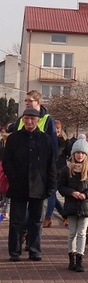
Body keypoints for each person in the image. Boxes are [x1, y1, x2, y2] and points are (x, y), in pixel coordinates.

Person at [3, 108, 57, 261]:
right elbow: (7, 161)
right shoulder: (14, 138)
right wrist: (13, 176)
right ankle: (14, 251)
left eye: (32, 119)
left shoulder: (45, 139)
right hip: (18, 185)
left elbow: (50, 165)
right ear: (22, 120)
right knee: (16, 221)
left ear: (38, 120)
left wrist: (51, 186)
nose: (29, 121)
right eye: (26, 118)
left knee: (36, 221)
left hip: (39, 186)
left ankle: (34, 250)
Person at [58, 138, 88, 272]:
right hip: (71, 204)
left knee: (82, 232)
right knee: (72, 233)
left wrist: (87, 194)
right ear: (73, 153)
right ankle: (71, 257)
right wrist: (71, 193)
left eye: (83, 153)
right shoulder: (67, 169)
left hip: (86, 205)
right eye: (77, 153)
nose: (80, 155)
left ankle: (80, 259)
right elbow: (61, 186)